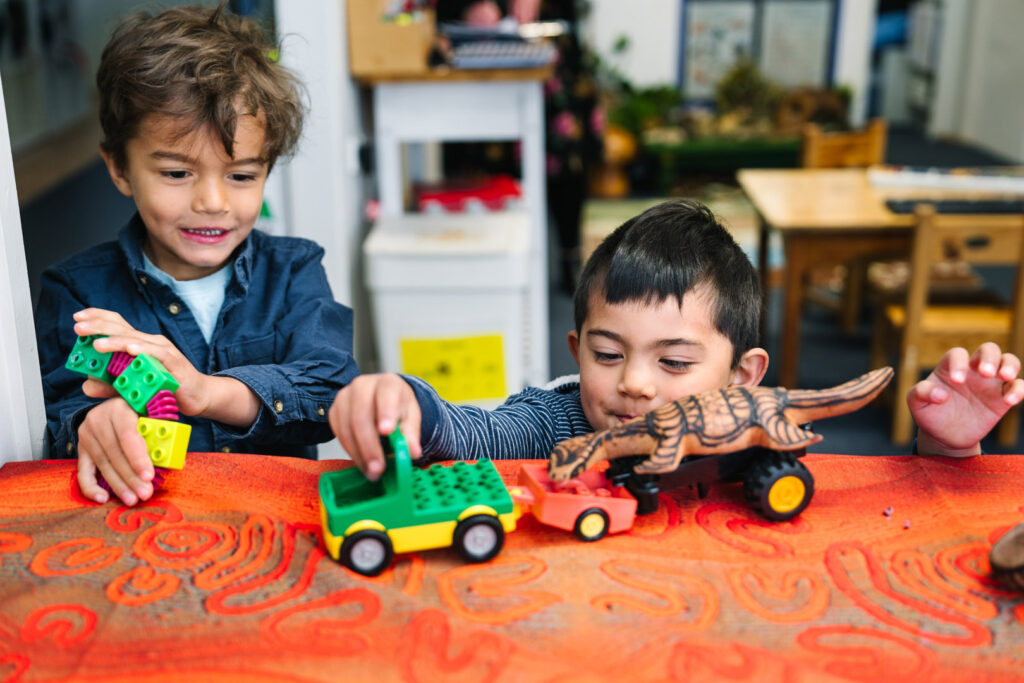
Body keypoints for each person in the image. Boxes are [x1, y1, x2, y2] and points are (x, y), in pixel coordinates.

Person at [329, 199, 1024, 480]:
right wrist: (405, 401)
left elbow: (873, 502)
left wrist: (948, 445)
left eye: (675, 360)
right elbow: (468, 432)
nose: (633, 382)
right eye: (607, 353)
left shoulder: (752, 433)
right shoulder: (562, 419)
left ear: (745, 374)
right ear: (576, 352)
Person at [34, 3, 358, 506]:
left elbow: (330, 394)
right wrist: (95, 421)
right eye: (177, 173)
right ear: (119, 168)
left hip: (273, 521)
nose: (212, 202)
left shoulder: (293, 271)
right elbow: (60, 409)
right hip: (144, 531)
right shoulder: (77, 291)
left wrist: (207, 392)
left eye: (242, 175)